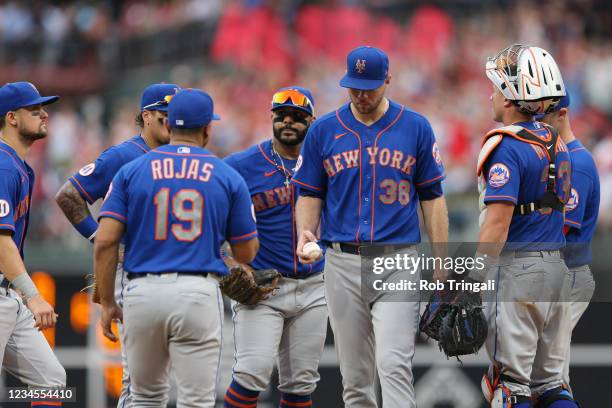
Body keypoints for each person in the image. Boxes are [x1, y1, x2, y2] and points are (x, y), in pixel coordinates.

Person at [292, 46, 449, 407]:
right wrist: (306, 230)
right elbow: (310, 192)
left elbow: (433, 197)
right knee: (356, 378)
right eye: (355, 87)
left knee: (393, 364)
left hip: (398, 260)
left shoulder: (416, 127)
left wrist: (441, 262)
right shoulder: (324, 131)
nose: (362, 95)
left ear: (388, 81)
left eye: (370, 87)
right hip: (342, 262)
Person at [94, 88, 259, 407]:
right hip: (196, 292)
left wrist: (107, 302)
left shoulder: (132, 170)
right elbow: (246, 253)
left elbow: (105, 240)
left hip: (142, 293)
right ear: (208, 128)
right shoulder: (226, 175)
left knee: (144, 397)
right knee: (196, 401)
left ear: (169, 126)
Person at [54, 82, 179, 407]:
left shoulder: (186, 157)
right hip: (134, 275)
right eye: (165, 115)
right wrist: (101, 239)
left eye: (177, 116)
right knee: (139, 382)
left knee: (168, 383)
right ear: (146, 116)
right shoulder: (124, 155)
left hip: (177, 278)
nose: (172, 122)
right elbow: (69, 195)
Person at [474, 44, 579, 407]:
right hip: (556, 268)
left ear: (510, 96)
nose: (491, 94)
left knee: (509, 386)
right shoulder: (557, 143)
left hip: (518, 270)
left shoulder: (506, 145)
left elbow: (497, 225)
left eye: (496, 87)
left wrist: (471, 279)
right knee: (552, 386)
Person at [223, 86, 327, 408]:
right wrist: (229, 264)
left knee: (300, 386)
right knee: (251, 375)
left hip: (315, 286)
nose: (288, 122)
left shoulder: (325, 164)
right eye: (281, 115)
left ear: (311, 121)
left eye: (297, 117)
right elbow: (209, 220)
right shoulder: (241, 165)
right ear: (271, 117)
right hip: (264, 286)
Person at [0, 81, 66, 407]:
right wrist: (35, 295)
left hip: (8, 295)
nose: (44, 113)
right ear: (11, 118)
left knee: (51, 381)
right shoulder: (2, 165)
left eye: (44, 107)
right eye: (34, 109)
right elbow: (0, 243)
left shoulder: (19, 166)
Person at [537, 93, 599, 402]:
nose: (537, 122)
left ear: (561, 114)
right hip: (557, 275)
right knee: (546, 375)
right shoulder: (555, 155)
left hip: (569, 275)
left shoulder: (577, 162)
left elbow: (560, 230)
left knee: (549, 376)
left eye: (543, 115)